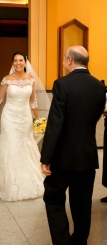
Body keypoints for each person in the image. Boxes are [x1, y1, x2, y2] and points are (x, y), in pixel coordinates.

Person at [40, 46, 106, 245]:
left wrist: (46, 157)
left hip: (63, 157)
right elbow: (95, 118)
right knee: (82, 203)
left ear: (69, 60)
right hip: (87, 155)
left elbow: (55, 123)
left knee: (53, 199)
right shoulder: (99, 87)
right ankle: (79, 241)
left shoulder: (62, 84)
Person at [0, 51, 51, 201]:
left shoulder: (31, 80)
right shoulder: (7, 80)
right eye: (15, 60)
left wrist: (37, 119)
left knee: (25, 144)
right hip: (9, 117)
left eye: (21, 60)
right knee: (10, 143)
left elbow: (33, 102)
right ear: (12, 63)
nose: (18, 63)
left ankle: (29, 177)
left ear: (25, 63)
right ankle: (8, 180)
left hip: (25, 118)